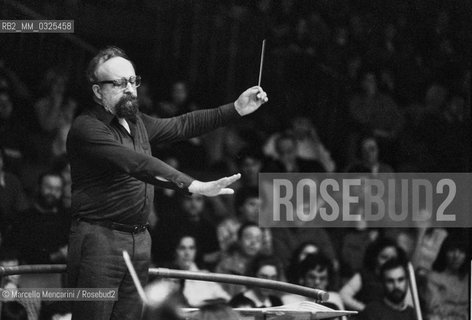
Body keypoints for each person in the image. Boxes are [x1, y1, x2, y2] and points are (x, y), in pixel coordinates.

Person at [66, 46, 268, 320]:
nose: (130, 89)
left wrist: (235, 110)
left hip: (139, 237)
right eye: (119, 83)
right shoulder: (87, 127)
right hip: (100, 239)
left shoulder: (135, 122)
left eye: (133, 81)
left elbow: (182, 125)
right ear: (97, 91)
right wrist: (193, 185)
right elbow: (137, 164)